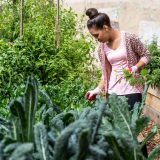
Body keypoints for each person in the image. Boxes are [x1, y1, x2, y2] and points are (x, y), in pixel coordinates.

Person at [85, 8, 150, 110]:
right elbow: (105, 73)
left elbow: (146, 55)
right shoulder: (102, 49)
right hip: (112, 93)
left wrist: (135, 68)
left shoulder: (129, 38)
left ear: (105, 27)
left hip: (132, 90)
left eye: (97, 35)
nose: (97, 39)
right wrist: (97, 90)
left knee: (131, 125)